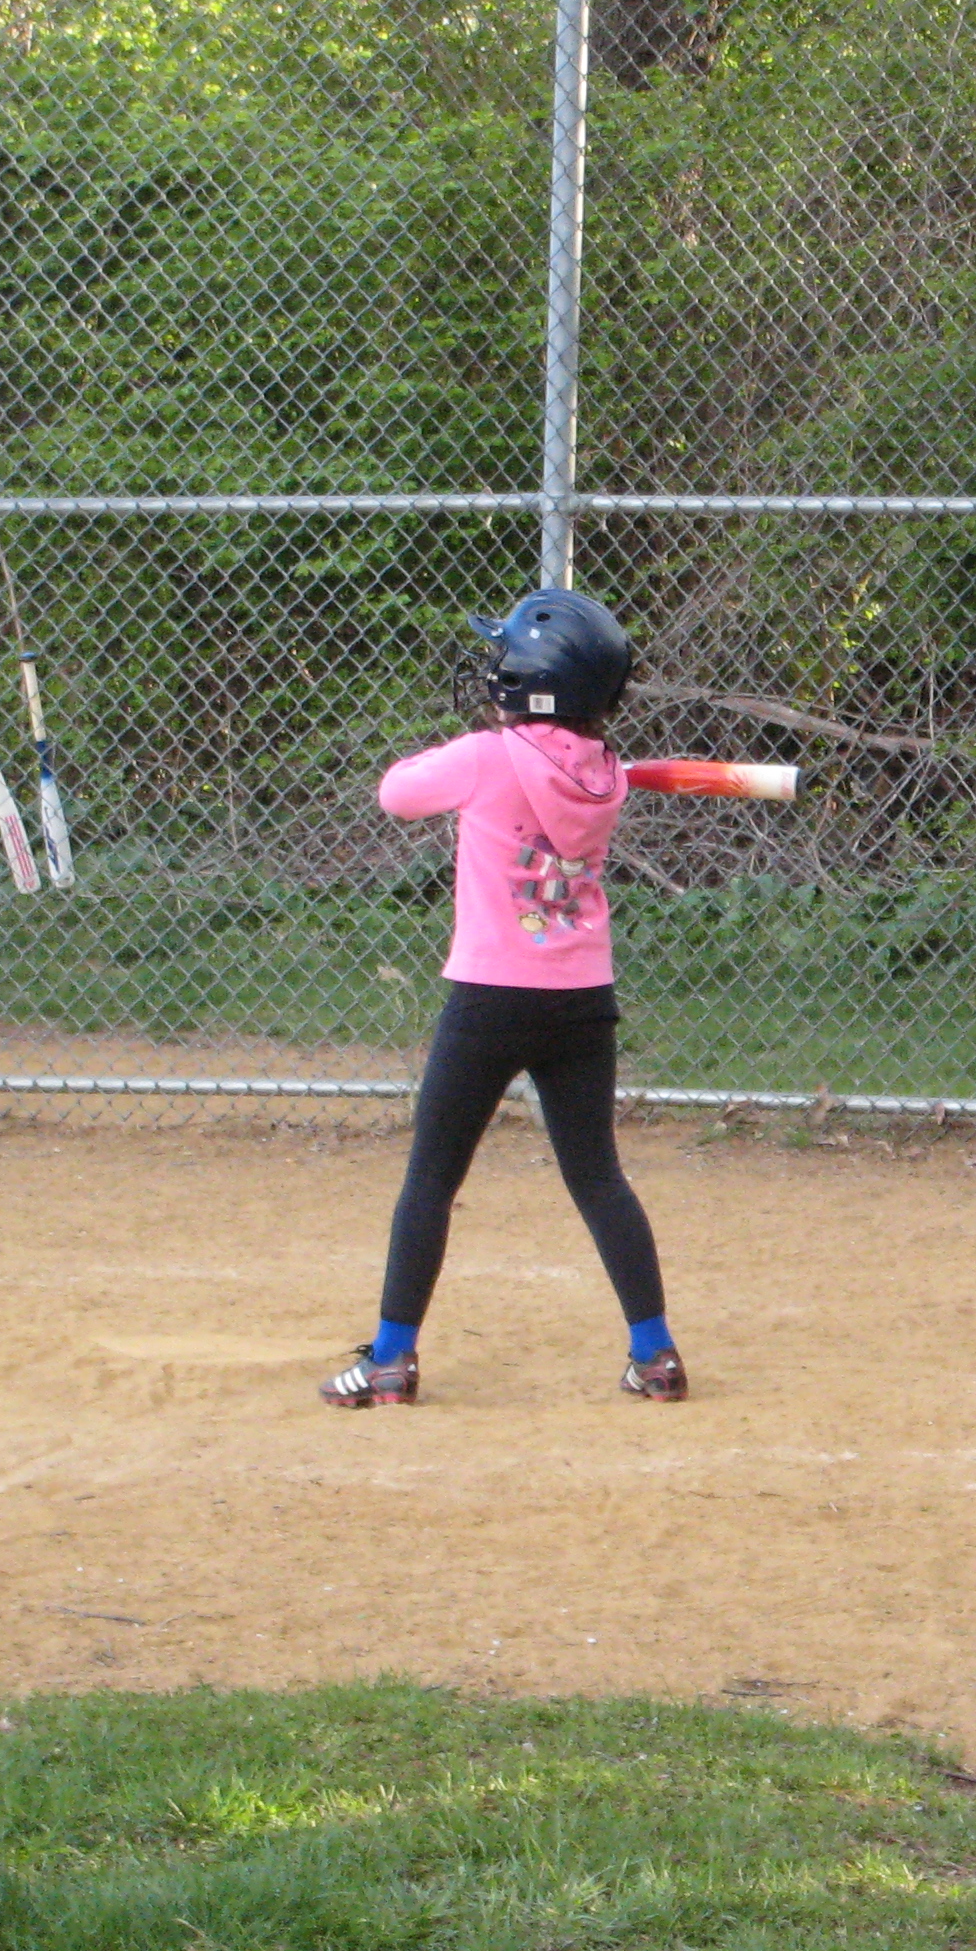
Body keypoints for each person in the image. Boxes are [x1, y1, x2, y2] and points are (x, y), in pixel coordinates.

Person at [320, 589, 685, 1406]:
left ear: (537, 680)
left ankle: (389, 1361)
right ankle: (655, 1354)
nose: (494, 668)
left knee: (431, 1180)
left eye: (506, 658)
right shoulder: (604, 773)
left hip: (491, 998)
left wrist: (473, 748)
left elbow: (396, 793)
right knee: (599, 1178)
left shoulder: (486, 756)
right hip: (582, 999)